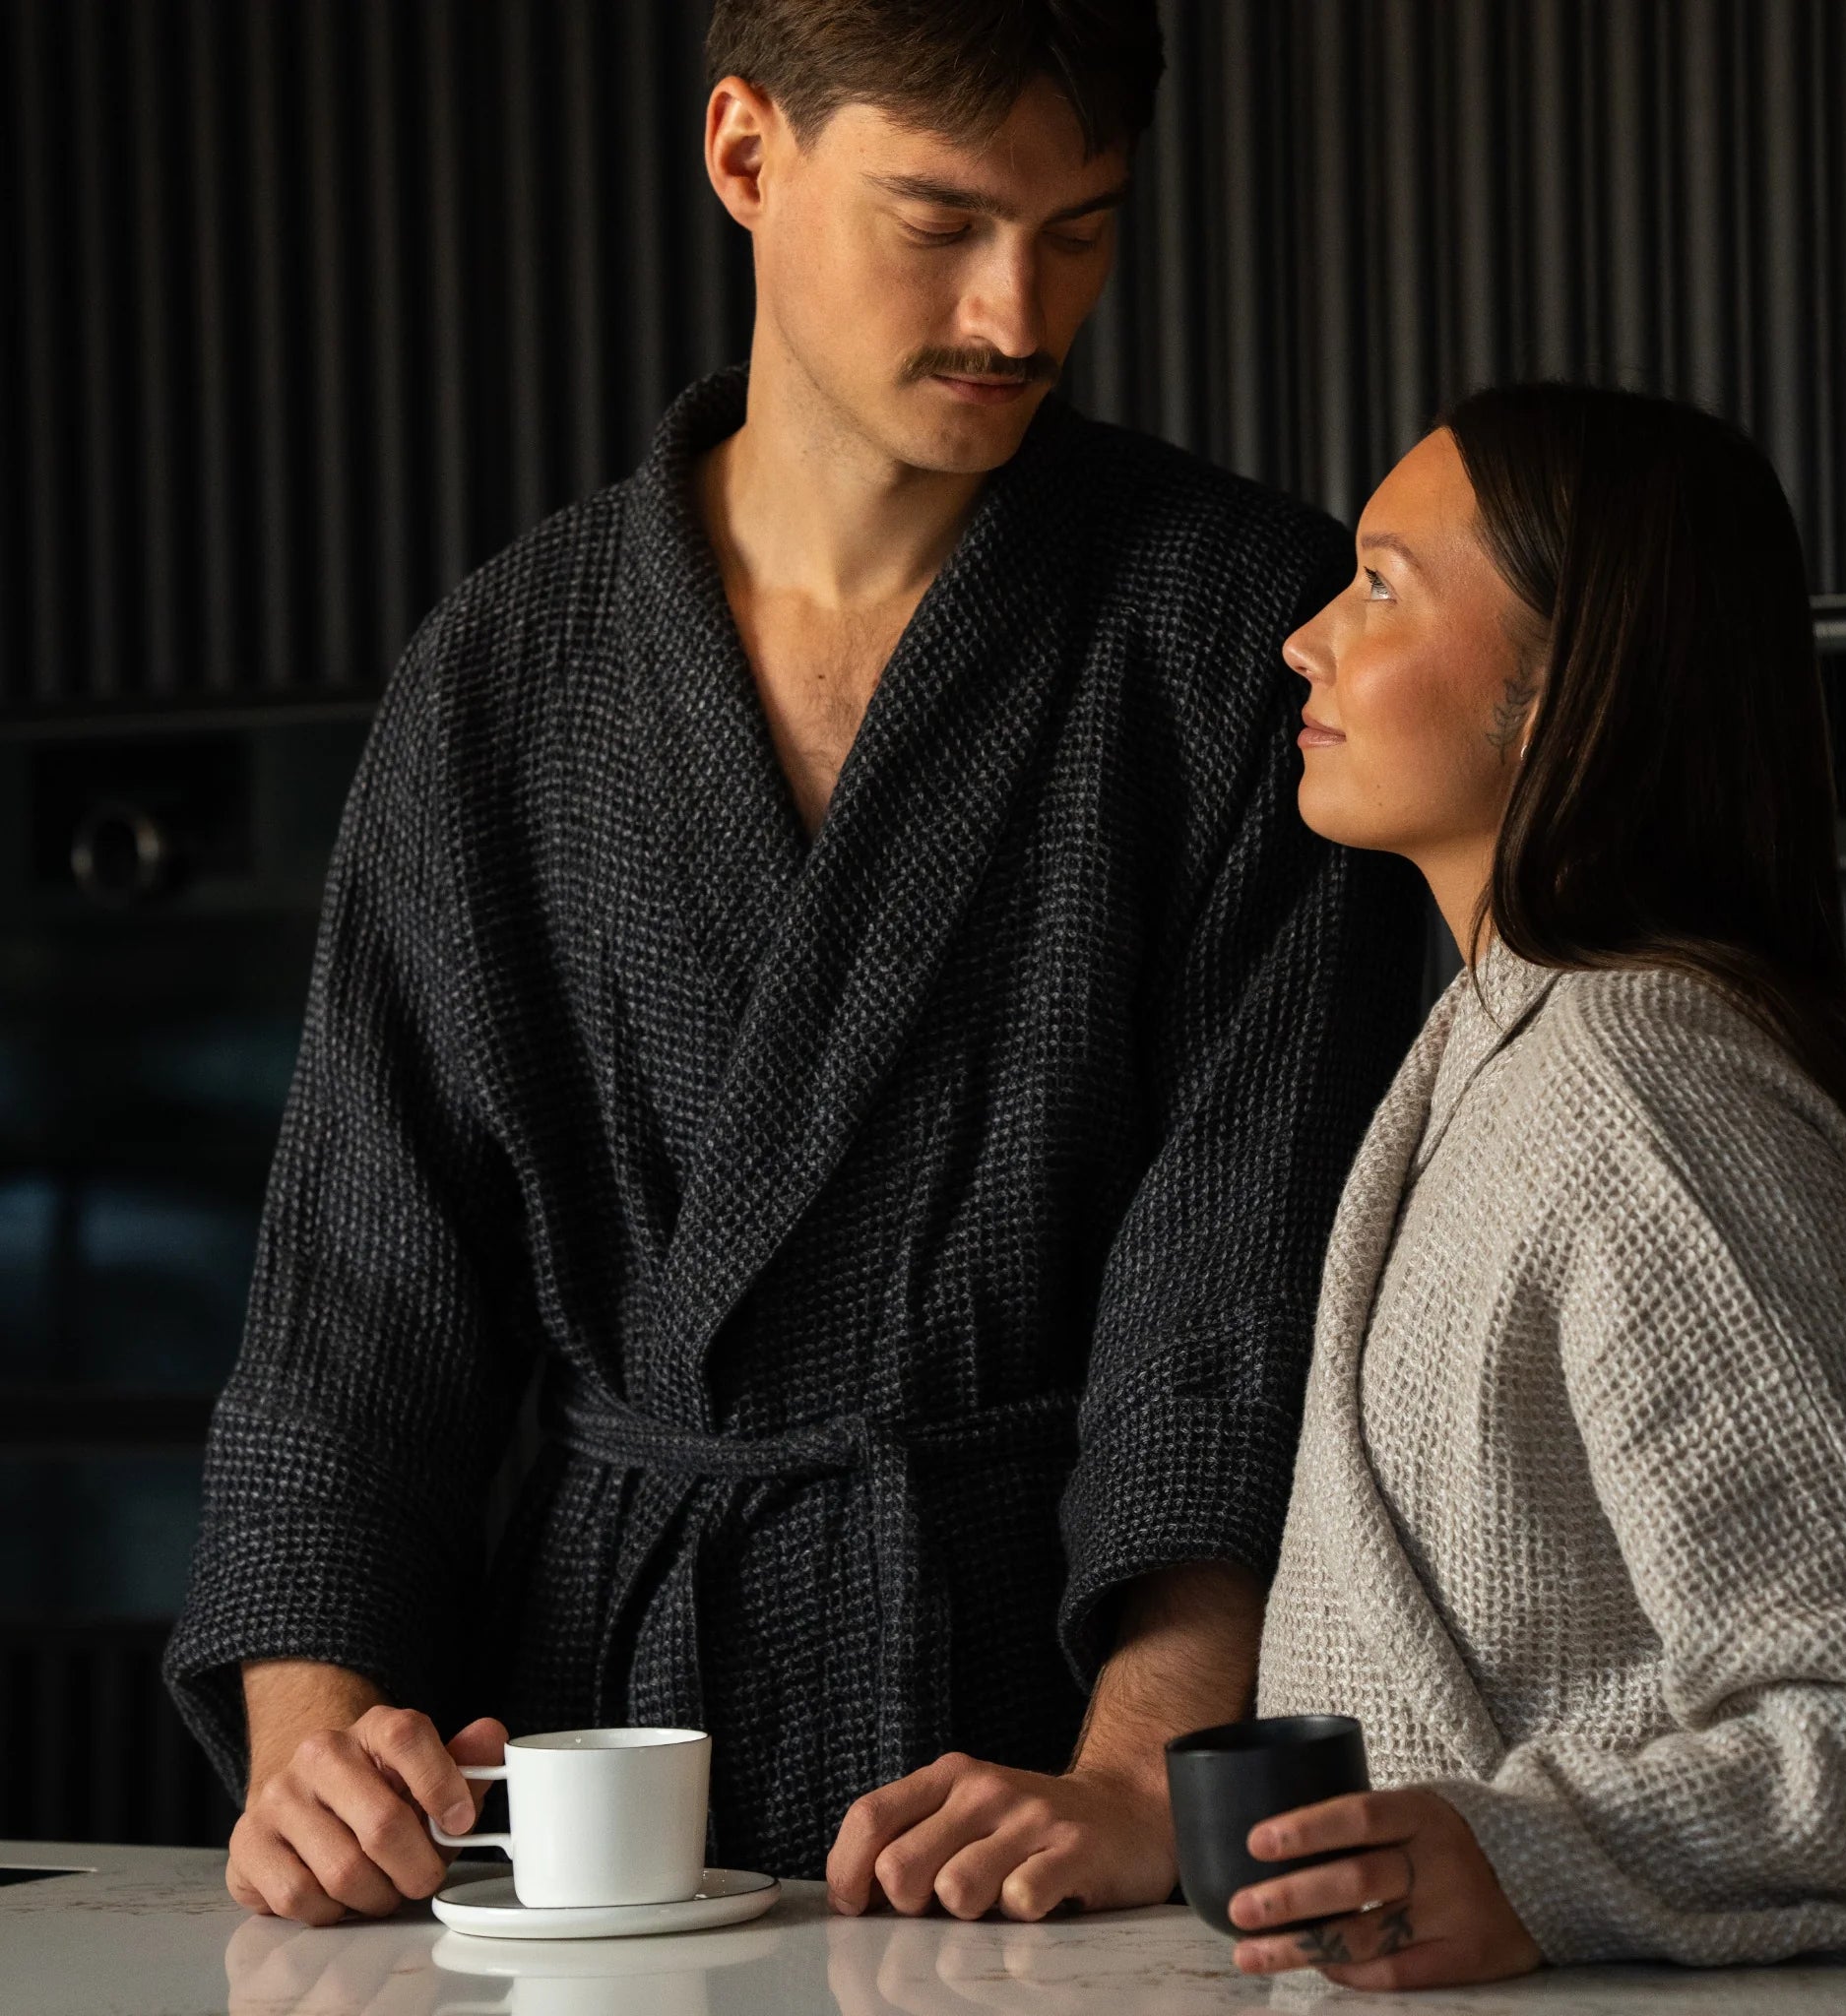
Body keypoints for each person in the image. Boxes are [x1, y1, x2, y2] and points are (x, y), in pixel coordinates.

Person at [166, 0, 1426, 1927]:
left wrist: (1131, 1778)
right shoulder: (505, 669)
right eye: (941, 220)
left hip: (1042, 1752)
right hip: (606, 1778)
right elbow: (359, 1308)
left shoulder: (1236, 630)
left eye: (1078, 226)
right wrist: (311, 1753)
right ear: (745, 153)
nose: (1019, 312)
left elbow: (1233, 1294)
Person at [1232, 384, 1846, 1989]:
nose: (1307, 640)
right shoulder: (1490, 1044)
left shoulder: (1649, 1096)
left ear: (1556, 681)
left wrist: (1544, 1860)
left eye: (1381, 583)